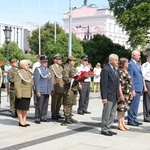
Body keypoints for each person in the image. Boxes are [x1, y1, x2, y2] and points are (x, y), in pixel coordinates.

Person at [100, 54, 119, 136]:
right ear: (111, 60)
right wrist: (104, 97)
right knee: (106, 113)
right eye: (116, 60)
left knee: (113, 112)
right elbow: (103, 84)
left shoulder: (115, 69)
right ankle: (104, 129)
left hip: (115, 95)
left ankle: (109, 127)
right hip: (108, 95)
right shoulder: (106, 69)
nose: (117, 62)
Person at [34, 55, 53, 124]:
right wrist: (37, 91)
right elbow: (36, 81)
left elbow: (50, 81)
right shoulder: (38, 69)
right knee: (39, 104)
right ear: (41, 62)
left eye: (46, 62)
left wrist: (51, 89)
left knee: (45, 104)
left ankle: (43, 117)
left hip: (47, 90)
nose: (45, 63)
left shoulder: (48, 70)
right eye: (44, 61)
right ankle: (37, 117)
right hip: (41, 90)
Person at [14, 60, 33, 127]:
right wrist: (19, 94)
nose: (28, 66)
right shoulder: (19, 73)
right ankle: (20, 121)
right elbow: (17, 85)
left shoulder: (28, 72)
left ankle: (24, 120)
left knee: (25, 108)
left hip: (28, 93)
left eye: (28, 65)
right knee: (20, 108)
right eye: (26, 65)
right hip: (22, 93)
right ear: (22, 66)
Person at [127, 50, 143, 126]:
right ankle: (131, 119)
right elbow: (131, 78)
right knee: (133, 105)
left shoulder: (136, 64)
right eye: (138, 55)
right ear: (133, 56)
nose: (140, 56)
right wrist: (132, 89)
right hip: (135, 88)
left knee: (136, 105)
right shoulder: (130, 64)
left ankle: (134, 118)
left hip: (139, 88)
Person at [117, 58, 133, 131]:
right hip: (123, 92)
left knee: (124, 108)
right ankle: (119, 124)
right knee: (120, 108)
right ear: (123, 64)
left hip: (127, 92)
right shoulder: (120, 72)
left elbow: (129, 82)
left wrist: (131, 92)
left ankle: (123, 123)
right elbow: (119, 84)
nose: (128, 64)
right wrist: (120, 94)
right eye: (127, 63)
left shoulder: (126, 71)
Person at [62, 56, 79, 124]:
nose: (74, 62)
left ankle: (70, 116)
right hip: (68, 88)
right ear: (69, 61)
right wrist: (73, 79)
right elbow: (65, 79)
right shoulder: (66, 68)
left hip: (74, 88)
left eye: (75, 61)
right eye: (73, 61)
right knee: (67, 102)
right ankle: (67, 117)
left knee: (71, 103)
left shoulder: (73, 68)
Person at [50, 54, 64, 120]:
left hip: (61, 87)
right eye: (59, 59)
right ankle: (54, 113)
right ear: (55, 60)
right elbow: (52, 78)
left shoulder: (61, 67)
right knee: (54, 101)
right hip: (55, 87)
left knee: (60, 101)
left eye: (60, 59)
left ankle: (57, 112)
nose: (60, 60)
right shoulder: (52, 67)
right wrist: (52, 88)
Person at [141, 53, 150, 122]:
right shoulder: (145, 65)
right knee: (147, 100)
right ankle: (146, 116)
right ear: (148, 58)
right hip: (147, 82)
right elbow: (143, 77)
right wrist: (144, 87)